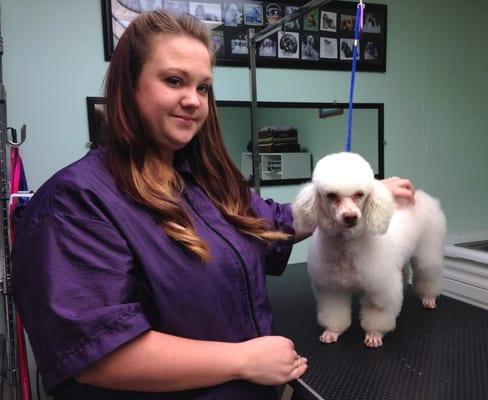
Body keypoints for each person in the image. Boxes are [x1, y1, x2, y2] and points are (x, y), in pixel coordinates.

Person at [11, 11, 415, 400]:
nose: (193, 100)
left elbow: (275, 222)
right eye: (174, 81)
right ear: (129, 86)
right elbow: (97, 353)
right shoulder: (76, 203)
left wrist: (355, 194)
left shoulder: (207, 185)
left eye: (203, 87)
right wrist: (241, 360)